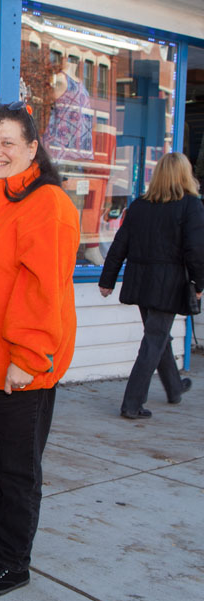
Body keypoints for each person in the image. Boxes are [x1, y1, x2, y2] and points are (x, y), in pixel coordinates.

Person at [0, 101, 80, 597]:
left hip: (18, 365)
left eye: (8, 142)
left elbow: (43, 291)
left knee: (19, 468)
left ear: (32, 148)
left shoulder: (47, 206)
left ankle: (13, 561)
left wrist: (27, 359)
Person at [98, 152, 204, 418]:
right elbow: (195, 250)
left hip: (141, 282)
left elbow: (119, 245)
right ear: (185, 175)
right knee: (154, 339)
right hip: (167, 284)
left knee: (158, 336)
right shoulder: (191, 205)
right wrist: (199, 282)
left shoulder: (140, 206)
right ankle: (132, 404)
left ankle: (175, 388)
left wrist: (107, 280)